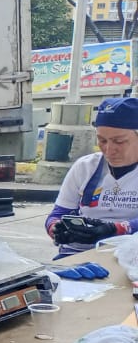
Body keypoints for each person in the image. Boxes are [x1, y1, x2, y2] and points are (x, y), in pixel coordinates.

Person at [46, 97, 138, 257]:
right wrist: (56, 229)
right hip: (77, 254)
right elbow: (58, 213)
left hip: (130, 255)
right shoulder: (85, 167)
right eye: (102, 140)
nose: (109, 150)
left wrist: (115, 229)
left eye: (119, 141)